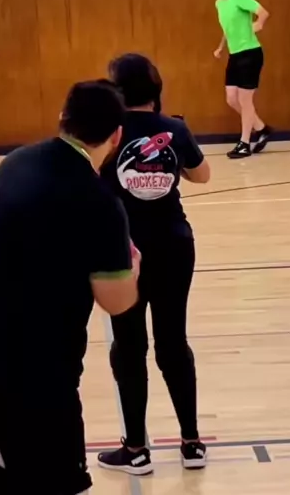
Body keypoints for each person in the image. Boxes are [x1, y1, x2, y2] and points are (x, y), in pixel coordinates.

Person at [0, 80, 140, 495]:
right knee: (63, 478)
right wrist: (133, 267)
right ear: (117, 136)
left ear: (62, 119)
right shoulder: (99, 203)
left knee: (3, 452)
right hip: (30, 366)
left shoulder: (16, 161)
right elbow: (117, 301)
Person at [97, 54, 210, 476]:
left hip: (125, 252)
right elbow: (202, 175)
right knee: (173, 342)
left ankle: (136, 450)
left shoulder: (109, 133)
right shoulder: (174, 129)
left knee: (129, 346)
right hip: (175, 246)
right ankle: (192, 444)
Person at [209, 0, 271, 159]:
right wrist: (221, 47)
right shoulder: (219, 4)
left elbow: (263, 13)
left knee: (245, 100)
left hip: (250, 53)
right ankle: (261, 128)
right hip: (235, 55)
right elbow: (228, 29)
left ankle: (244, 143)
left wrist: (258, 24)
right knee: (231, 99)